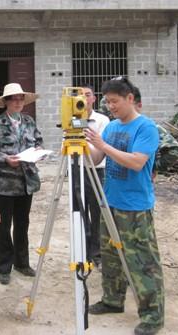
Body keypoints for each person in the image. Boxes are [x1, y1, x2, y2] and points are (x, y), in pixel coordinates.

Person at [84, 77, 165, 335]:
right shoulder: (112, 126)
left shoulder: (146, 128)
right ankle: (112, 300)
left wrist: (103, 145)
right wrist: (79, 147)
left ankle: (152, 316)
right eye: (107, 102)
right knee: (110, 258)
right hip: (110, 203)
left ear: (130, 98)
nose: (111, 106)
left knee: (142, 261)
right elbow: (97, 158)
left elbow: (137, 162)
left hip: (135, 207)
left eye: (115, 101)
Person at [0, 83, 43, 285]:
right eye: (14, 99)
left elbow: (38, 141)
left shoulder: (28, 121)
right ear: (6, 102)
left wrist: (38, 153)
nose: (18, 102)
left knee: (22, 224)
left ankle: (22, 263)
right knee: (3, 226)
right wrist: (5, 158)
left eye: (21, 99)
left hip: (26, 183)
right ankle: (4, 267)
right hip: (4, 185)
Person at [81, 85, 109, 268]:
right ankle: (83, 252)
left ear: (94, 99)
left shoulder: (102, 120)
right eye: (80, 95)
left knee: (97, 212)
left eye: (88, 94)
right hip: (77, 170)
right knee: (80, 211)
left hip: (97, 169)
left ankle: (97, 253)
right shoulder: (70, 119)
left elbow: (102, 147)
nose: (84, 98)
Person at [132, 87, 178, 174]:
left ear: (139, 106)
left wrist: (153, 167)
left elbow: (176, 149)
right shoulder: (112, 125)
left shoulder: (149, 127)